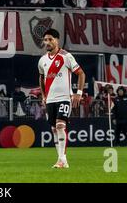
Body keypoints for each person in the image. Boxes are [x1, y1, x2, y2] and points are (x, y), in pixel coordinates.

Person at [38, 28, 85, 168]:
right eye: (45, 40)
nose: (47, 42)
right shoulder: (42, 60)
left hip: (64, 97)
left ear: (57, 40)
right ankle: (60, 159)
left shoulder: (66, 56)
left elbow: (81, 74)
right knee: (54, 129)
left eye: (50, 39)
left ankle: (62, 159)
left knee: (60, 125)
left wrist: (79, 93)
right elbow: (41, 77)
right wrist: (44, 96)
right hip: (50, 99)